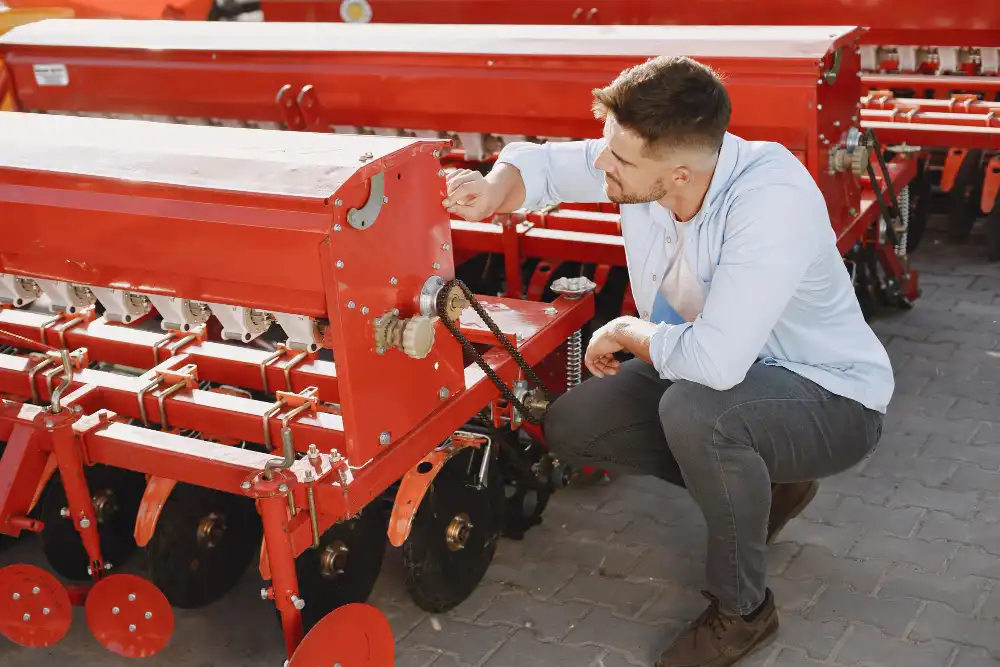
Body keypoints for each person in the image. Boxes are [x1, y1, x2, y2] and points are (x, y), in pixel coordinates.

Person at [441, 55, 891, 667]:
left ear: (680, 174)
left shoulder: (770, 201)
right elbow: (541, 165)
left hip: (829, 395)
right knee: (575, 426)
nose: (603, 164)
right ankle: (764, 483)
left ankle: (743, 610)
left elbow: (716, 363)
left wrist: (626, 329)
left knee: (698, 414)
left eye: (619, 161)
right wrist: (495, 189)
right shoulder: (644, 157)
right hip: (718, 371)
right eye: (607, 147)